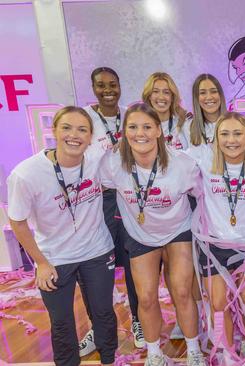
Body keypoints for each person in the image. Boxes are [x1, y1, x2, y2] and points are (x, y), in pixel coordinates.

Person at [8, 106, 117, 366]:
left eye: (82, 130)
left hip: (97, 250)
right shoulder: (26, 174)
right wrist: (41, 263)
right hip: (55, 257)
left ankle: (110, 359)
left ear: (91, 137)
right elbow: (17, 221)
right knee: (62, 322)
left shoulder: (97, 159)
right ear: (54, 131)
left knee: (103, 313)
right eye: (66, 128)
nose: (74, 135)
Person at [100, 103, 205, 366]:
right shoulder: (112, 164)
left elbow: (204, 197)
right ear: (124, 132)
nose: (140, 133)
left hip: (178, 230)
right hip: (140, 234)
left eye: (147, 127)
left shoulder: (183, 164)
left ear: (159, 130)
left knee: (181, 291)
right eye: (133, 127)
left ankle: (194, 351)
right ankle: (154, 354)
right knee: (146, 297)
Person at [187, 111, 245, 363]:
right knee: (217, 303)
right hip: (214, 245)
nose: (231, 140)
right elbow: (166, 158)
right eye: (224, 134)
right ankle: (226, 352)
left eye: (237, 133)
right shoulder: (202, 159)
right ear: (215, 138)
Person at [79, 67, 143, 355]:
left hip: (130, 195)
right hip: (99, 199)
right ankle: (99, 327)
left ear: (120, 86)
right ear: (93, 88)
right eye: (101, 85)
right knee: (96, 265)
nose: (108, 90)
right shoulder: (84, 118)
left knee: (134, 262)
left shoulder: (130, 114)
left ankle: (140, 320)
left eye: (113, 84)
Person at [142, 72, 190, 150]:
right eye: (155, 91)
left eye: (166, 92)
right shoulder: (140, 126)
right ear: (149, 96)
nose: (161, 97)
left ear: (172, 97)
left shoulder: (185, 121)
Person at [185, 73, 227, 146]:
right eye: (203, 93)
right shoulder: (187, 127)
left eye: (213, 91)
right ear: (196, 98)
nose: (209, 97)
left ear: (220, 95)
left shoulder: (236, 123)